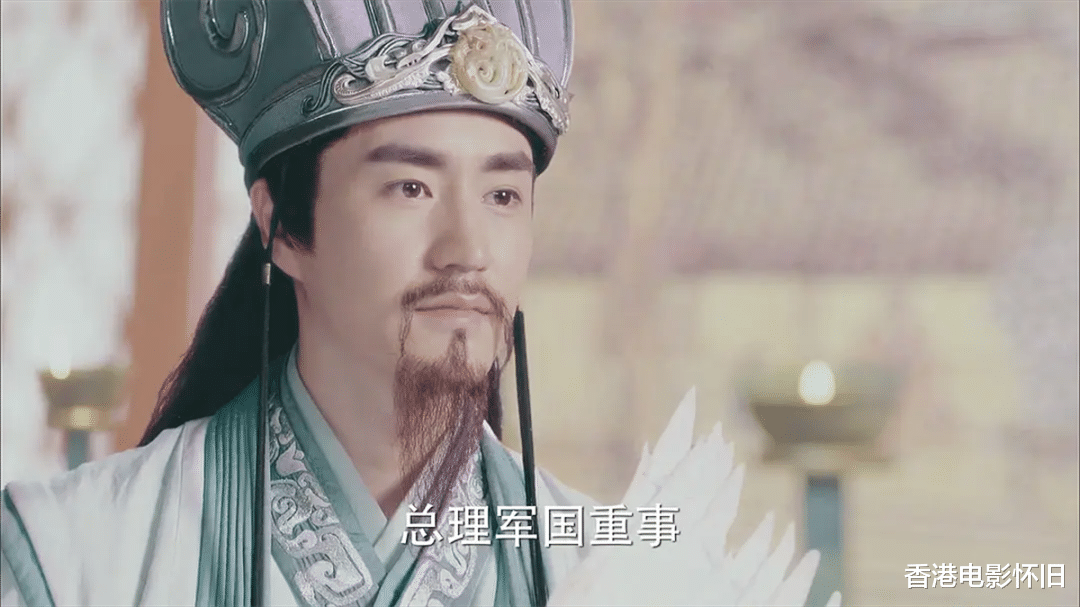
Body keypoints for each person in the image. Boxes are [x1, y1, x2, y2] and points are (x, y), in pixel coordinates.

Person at [1, 2, 837, 606]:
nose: (467, 249)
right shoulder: (71, 557)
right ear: (282, 225)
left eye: (503, 196)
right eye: (411, 187)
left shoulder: (613, 571)